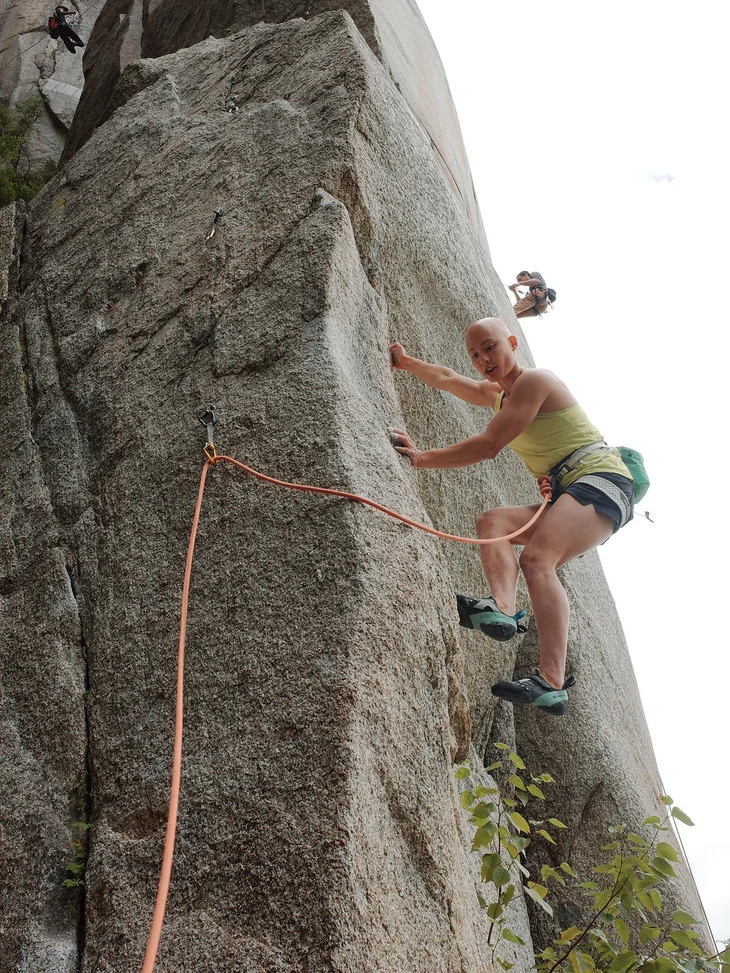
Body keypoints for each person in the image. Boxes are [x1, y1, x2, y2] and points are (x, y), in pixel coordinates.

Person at [389, 317, 634, 716]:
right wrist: (408, 363)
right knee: (493, 523)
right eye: (475, 354)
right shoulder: (498, 395)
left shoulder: (535, 382)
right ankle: (501, 609)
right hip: (574, 487)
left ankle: (551, 681)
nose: (483, 359)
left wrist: (421, 459)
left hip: (602, 480)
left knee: (538, 560)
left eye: (490, 347)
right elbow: (451, 380)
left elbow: (489, 445)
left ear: (512, 343)